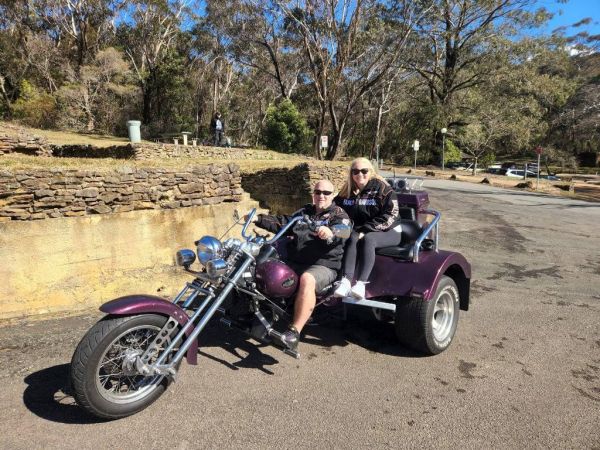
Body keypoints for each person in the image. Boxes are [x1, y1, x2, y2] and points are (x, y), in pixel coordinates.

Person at [249, 179, 350, 351]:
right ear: (313, 194)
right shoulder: (305, 212)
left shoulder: (339, 215)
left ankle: (293, 333)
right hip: (295, 260)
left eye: (326, 193)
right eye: (318, 192)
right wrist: (257, 218)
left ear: (332, 195)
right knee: (262, 268)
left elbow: (346, 230)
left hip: (324, 265)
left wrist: (331, 231)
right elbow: (283, 222)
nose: (321, 196)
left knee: (307, 279)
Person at [333, 157, 400, 300]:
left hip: (389, 230)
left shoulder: (383, 190)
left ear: (371, 172)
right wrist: (333, 228)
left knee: (368, 239)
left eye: (364, 171)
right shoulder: (347, 191)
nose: (360, 174)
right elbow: (336, 210)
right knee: (344, 236)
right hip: (358, 229)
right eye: (355, 171)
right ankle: (345, 281)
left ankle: (361, 284)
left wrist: (366, 230)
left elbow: (391, 215)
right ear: (351, 174)